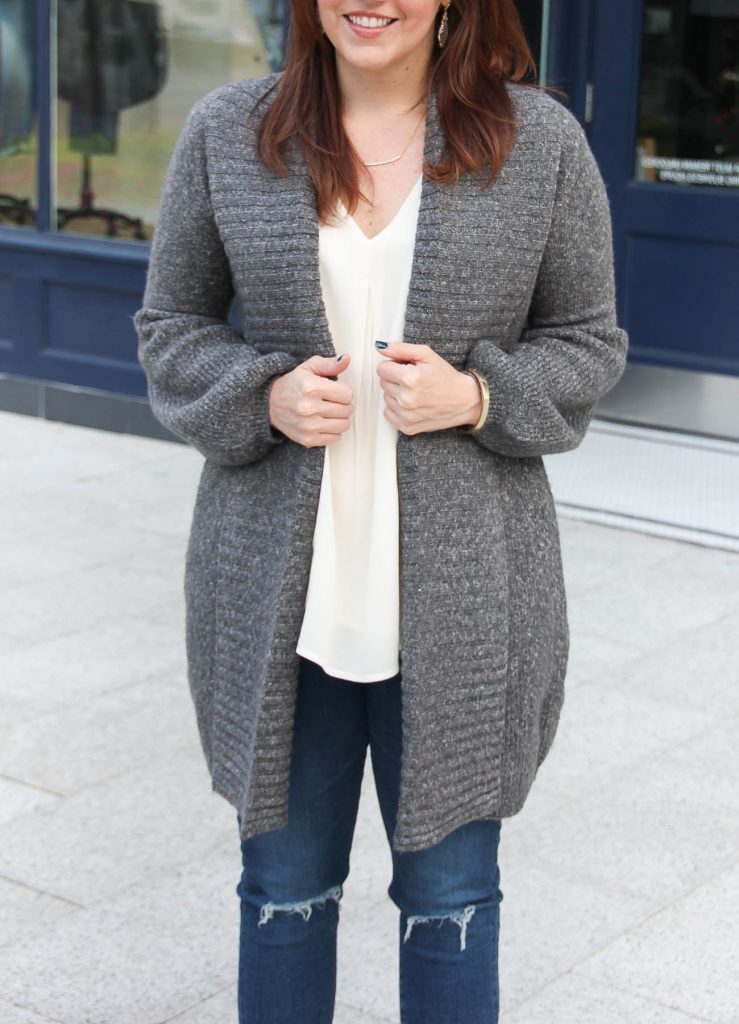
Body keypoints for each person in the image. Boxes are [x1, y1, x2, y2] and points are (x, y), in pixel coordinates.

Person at [133, 0, 629, 1019]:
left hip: (462, 607)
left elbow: (588, 340)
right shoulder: (231, 133)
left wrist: (479, 396)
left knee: (450, 899)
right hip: (282, 605)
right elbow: (170, 323)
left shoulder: (538, 143)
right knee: (283, 893)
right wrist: (257, 394)